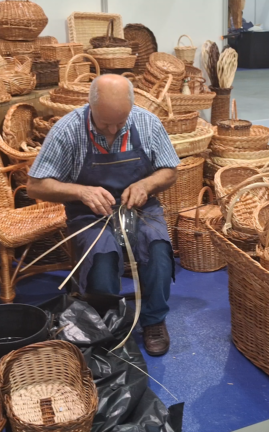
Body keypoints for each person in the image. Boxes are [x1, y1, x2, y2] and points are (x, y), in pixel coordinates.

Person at [26, 75, 180, 356]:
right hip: (89, 214)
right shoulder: (68, 130)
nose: (111, 130)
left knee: (158, 248)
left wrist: (146, 184)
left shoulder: (147, 123)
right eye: (104, 123)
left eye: (119, 123)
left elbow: (169, 170)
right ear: (91, 106)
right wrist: (81, 192)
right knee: (102, 256)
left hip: (140, 208)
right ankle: (108, 322)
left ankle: (154, 320)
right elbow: (36, 185)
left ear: (130, 109)